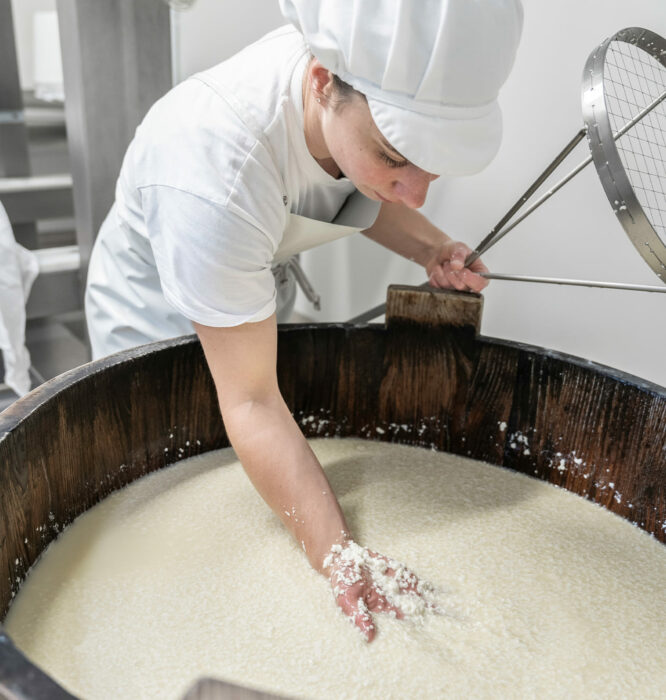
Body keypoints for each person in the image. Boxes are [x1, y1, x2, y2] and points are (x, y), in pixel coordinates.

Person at [85, 0, 523, 641]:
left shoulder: (345, 104)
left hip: (248, 299)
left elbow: (360, 185)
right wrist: (337, 555)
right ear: (321, 83)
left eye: (432, 168)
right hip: (156, 321)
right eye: (395, 157)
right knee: (179, 510)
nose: (417, 191)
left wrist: (431, 248)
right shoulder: (215, 169)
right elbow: (253, 401)